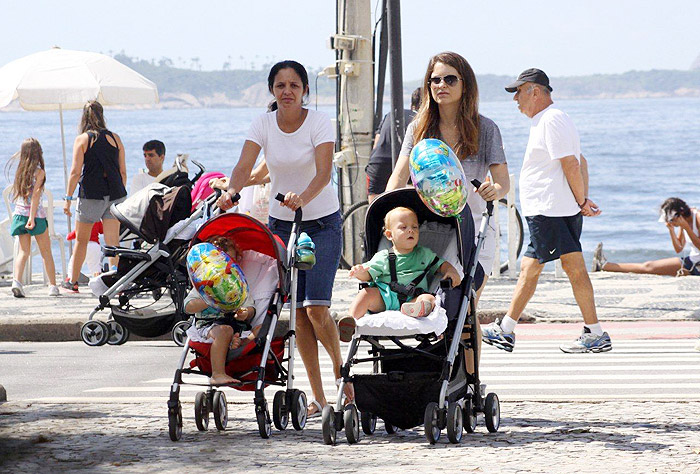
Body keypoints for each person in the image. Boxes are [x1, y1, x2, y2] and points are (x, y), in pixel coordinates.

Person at [217, 60, 349, 417]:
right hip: (282, 225)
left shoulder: (320, 122)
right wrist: (230, 191)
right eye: (280, 86)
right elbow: (245, 167)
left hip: (321, 224)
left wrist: (303, 197)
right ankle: (319, 397)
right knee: (297, 315)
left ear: (305, 90)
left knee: (316, 309)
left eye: (294, 85)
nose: (287, 91)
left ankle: (343, 378)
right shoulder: (263, 123)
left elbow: (324, 173)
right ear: (272, 91)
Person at [384, 51, 511, 374]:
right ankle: (434, 376)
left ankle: (470, 382)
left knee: (466, 308)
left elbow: (503, 182)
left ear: (464, 84)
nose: (441, 85)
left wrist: (492, 190)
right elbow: (399, 176)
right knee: (436, 306)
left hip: (474, 227)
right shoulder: (419, 128)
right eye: (435, 79)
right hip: (430, 230)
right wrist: (385, 209)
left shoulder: (485, 129)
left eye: (449, 78)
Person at [482, 68, 610, 354]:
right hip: (551, 209)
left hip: (551, 210)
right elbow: (581, 161)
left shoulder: (551, 119)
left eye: (518, 91)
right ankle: (507, 329)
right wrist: (583, 199)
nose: (515, 99)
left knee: (564, 269)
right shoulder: (551, 120)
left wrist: (581, 202)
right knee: (536, 267)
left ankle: (594, 333)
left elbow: (572, 164)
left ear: (535, 91)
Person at [338, 207, 462, 341]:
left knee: (429, 298)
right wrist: (360, 272)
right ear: (389, 235)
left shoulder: (424, 254)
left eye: (415, 227)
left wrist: (451, 270)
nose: (411, 230)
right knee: (366, 294)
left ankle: (417, 309)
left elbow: (441, 265)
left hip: (414, 297)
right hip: (386, 297)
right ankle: (350, 321)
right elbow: (369, 274)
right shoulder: (383, 257)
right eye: (403, 227)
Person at [63, 100, 127, 292]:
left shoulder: (83, 139)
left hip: (91, 195)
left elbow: (75, 172)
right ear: (102, 114)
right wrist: (118, 193)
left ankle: (72, 281)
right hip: (115, 195)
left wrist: (68, 198)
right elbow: (123, 172)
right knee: (113, 242)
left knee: (82, 241)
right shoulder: (116, 138)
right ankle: (116, 281)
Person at [184, 236, 264, 385]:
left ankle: (238, 342)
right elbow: (188, 307)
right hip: (209, 326)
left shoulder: (238, 286)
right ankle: (218, 374)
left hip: (237, 326)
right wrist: (206, 301)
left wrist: (245, 313)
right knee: (225, 331)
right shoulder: (204, 286)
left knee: (260, 329)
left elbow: (251, 307)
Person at [591, 197, 700, 277]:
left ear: (680, 213)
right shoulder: (683, 221)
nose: (672, 223)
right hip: (692, 261)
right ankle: (604, 266)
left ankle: (604, 266)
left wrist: (686, 228)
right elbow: (679, 248)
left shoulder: (697, 217)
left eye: (671, 220)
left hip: (696, 263)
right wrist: (671, 231)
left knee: (649, 267)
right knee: (648, 266)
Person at [6, 138, 59, 297]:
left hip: (19, 215)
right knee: (46, 252)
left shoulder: (20, 171)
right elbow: (36, 197)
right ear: (38, 154)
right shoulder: (39, 172)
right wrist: (32, 217)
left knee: (23, 251)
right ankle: (53, 286)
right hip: (36, 216)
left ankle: (16, 282)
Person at [365, 87, 422, 203]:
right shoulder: (421, 120)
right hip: (405, 163)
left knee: (375, 206)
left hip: (377, 162)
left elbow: (376, 142)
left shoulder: (391, 114)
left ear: (412, 105)